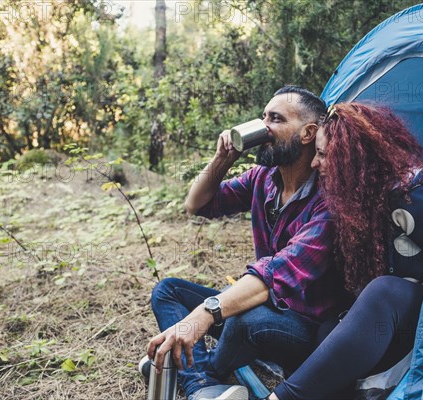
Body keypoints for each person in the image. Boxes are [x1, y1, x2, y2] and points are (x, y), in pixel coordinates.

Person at [146, 86, 350, 400]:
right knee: (168, 290)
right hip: (262, 302)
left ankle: (198, 373)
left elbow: (276, 272)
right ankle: (202, 385)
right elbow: (196, 204)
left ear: (309, 133)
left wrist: (203, 315)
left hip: (304, 327)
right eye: (263, 117)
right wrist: (221, 160)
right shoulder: (263, 178)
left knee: (244, 319)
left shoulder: (329, 200)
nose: (264, 127)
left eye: (276, 119)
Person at [268, 103, 423, 399]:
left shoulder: (421, 196)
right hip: (393, 321)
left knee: (384, 290)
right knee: (329, 327)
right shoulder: (362, 197)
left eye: (324, 154)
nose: (315, 163)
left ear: (354, 159)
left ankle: (282, 397)